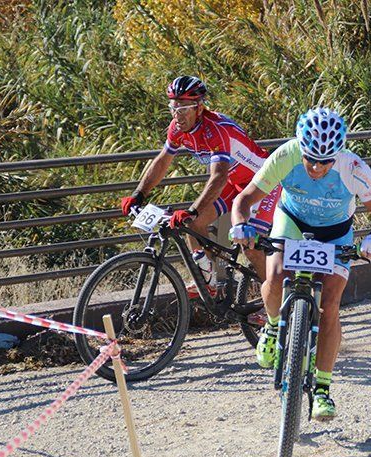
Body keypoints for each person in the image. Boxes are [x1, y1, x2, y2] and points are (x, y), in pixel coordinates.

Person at [229, 107, 371, 421]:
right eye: (311, 160)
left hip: (335, 234)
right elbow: (244, 200)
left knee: (330, 304)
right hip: (291, 222)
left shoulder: (354, 168)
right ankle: (271, 327)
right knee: (276, 274)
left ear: (339, 154)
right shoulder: (286, 155)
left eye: (326, 161)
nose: (318, 168)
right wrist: (241, 225)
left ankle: (322, 389)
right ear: (301, 149)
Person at [120, 75, 280, 296]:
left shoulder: (215, 129)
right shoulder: (177, 128)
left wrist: (192, 209)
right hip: (235, 182)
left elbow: (218, 177)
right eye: (174, 107)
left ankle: (276, 306)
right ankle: (209, 281)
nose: (178, 114)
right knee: (194, 224)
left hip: (264, 183)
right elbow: (162, 161)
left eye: (184, 108)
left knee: (249, 245)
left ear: (199, 108)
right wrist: (139, 194)